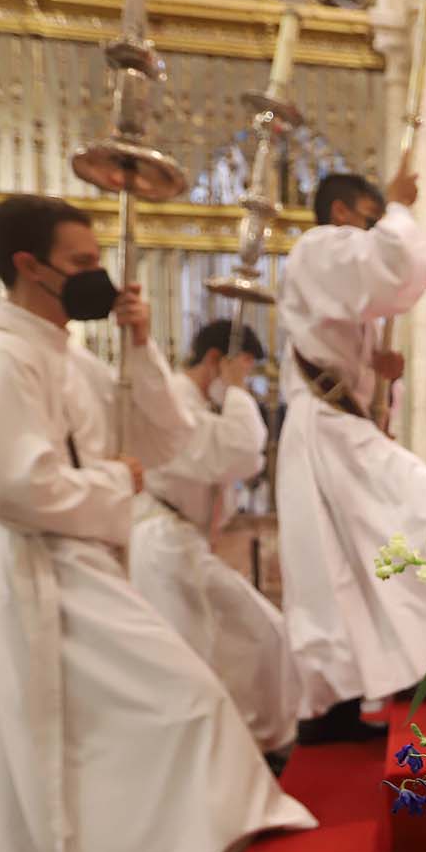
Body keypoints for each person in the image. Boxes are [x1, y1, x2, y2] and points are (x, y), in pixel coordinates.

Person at [0, 194, 315, 852]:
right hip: (38, 561)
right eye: (85, 264)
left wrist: (138, 342)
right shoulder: (1, 357)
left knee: (58, 745)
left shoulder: (66, 352)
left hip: (79, 557)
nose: (100, 275)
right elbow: (8, 482)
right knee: (173, 705)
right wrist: (114, 482)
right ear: (29, 266)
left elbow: (160, 434)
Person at [277, 166, 426, 743]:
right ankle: (355, 691)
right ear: (343, 212)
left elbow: (351, 333)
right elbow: (388, 266)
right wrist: (398, 205)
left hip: (342, 430)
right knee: (420, 516)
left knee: (346, 567)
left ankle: (399, 668)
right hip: (327, 433)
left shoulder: (330, 267)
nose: (376, 225)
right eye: (369, 216)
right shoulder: (319, 247)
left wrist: (379, 373)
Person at [129, 320, 299, 753]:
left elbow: (243, 460)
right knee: (239, 641)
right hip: (163, 540)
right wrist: (237, 390)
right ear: (214, 361)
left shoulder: (195, 402)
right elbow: (241, 451)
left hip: (179, 541)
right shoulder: (174, 401)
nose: (245, 383)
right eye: (241, 369)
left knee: (254, 636)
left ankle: (249, 745)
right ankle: (244, 747)